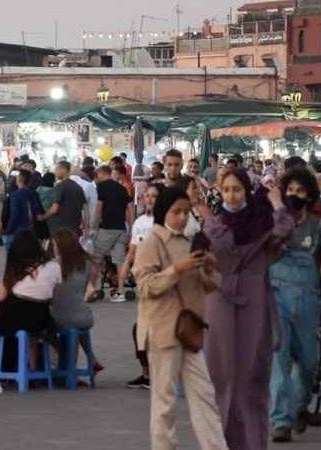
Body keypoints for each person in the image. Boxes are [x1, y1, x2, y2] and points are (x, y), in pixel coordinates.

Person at [193, 168, 293, 450]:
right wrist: (206, 214)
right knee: (221, 375)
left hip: (255, 298)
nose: (232, 195)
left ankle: (252, 443)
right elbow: (222, 244)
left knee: (252, 375)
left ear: (247, 190)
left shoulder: (261, 222)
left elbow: (284, 230)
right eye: (226, 190)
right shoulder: (215, 222)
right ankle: (220, 443)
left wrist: (276, 201)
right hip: (220, 300)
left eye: (237, 189)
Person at [133, 187, 228, 450]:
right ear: (164, 212)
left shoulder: (190, 242)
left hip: (190, 330)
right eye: (176, 211)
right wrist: (177, 269)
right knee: (165, 403)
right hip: (163, 330)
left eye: (186, 212)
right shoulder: (151, 242)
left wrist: (207, 266)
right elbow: (144, 287)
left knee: (205, 396)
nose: (182, 217)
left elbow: (209, 286)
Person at [269, 168, 321, 443]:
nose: (295, 196)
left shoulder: (320, 227)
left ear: (311, 196)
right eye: (291, 190)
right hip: (276, 298)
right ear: (284, 191)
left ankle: (299, 405)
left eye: (302, 192)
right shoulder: (274, 223)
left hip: (309, 302)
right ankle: (280, 421)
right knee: (280, 359)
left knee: (309, 363)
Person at [0, 230, 60, 373]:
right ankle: (33, 369)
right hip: (40, 321)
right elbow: (54, 298)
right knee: (33, 339)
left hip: (13, 320)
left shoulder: (15, 268)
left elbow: (0, 297)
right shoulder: (53, 266)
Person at [123, 183, 162, 389]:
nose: (150, 200)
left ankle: (161, 373)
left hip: (163, 283)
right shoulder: (140, 222)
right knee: (140, 330)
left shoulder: (167, 221)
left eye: (154, 196)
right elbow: (133, 250)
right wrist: (125, 268)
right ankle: (146, 373)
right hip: (144, 282)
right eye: (147, 196)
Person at [50, 228, 104, 372]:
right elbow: (88, 287)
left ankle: (57, 365)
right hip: (84, 316)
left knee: (44, 328)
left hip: (60, 317)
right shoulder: (86, 264)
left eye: (54, 245)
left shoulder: (54, 266)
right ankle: (91, 358)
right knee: (79, 327)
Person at [90, 165, 134, 302]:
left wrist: (94, 226)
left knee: (95, 259)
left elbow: (99, 208)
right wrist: (131, 229)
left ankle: (91, 289)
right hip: (121, 228)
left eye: (97, 176)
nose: (96, 179)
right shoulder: (122, 188)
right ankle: (120, 291)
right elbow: (129, 209)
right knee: (119, 261)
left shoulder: (102, 187)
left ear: (101, 174)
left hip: (107, 228)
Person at [40, 161, 88, 236]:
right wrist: (86, 224)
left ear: (63, 170)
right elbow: (85, 207)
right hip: (75, 227)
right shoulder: (78, 187)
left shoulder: (61, 186)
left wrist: (43, 217)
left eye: (56, 169)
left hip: (61, 228)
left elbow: (54, 209)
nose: (55, 172)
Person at [4, 170, 43, 248]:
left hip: (17, 231)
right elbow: (37, 211)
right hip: (31, 230)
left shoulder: (15, 195)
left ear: (19, 180)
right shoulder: (34, 194)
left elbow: (15, 214)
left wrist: (8, 229)